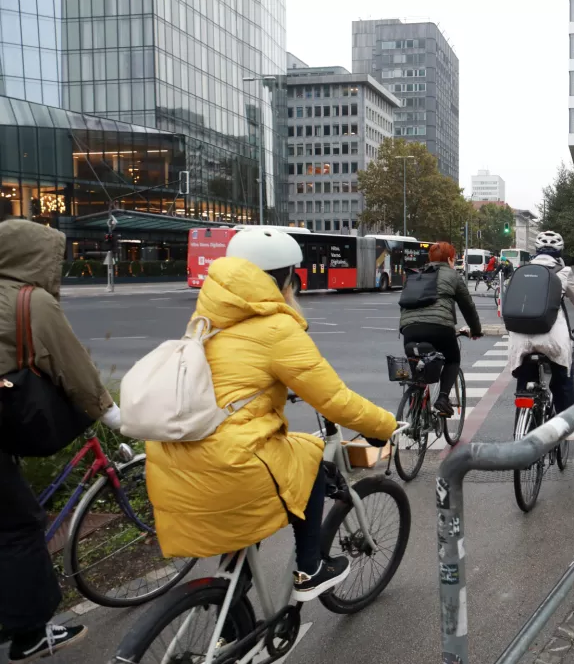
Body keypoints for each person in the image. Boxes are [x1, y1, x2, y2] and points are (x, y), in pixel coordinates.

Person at [144, 228, 398, 604]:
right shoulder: (276, 328)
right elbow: (335, 399)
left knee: (249, 513)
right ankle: (310, 569)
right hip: (229, 459)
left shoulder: (207, 317)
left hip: (175, 457)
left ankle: (230, 617)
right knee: (309, 458)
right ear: (283, 279)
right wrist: (384, 426)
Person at [0, 220, 123, 661]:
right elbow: (75, 369)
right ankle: (30, 634)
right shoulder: (31, 302)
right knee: (18, 525)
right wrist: (111, 413)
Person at [507, 231, 574, 414]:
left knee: (524, 387)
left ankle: (522, 430)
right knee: (563, 382)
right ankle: (567, 429)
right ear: (560, 253)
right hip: (552, 340)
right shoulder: (563, 272)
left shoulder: (521, 272)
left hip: (519, 339)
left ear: (536, 251)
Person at [400, 241, 483, 416]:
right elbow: (467, 306)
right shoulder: (452, 275)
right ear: (450, 259)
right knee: (452, 359)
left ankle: (414, 406)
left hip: (409, 329)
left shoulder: (415, 275)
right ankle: (443, 398)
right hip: (440, 328)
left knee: (416, 367)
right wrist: (476, 330)